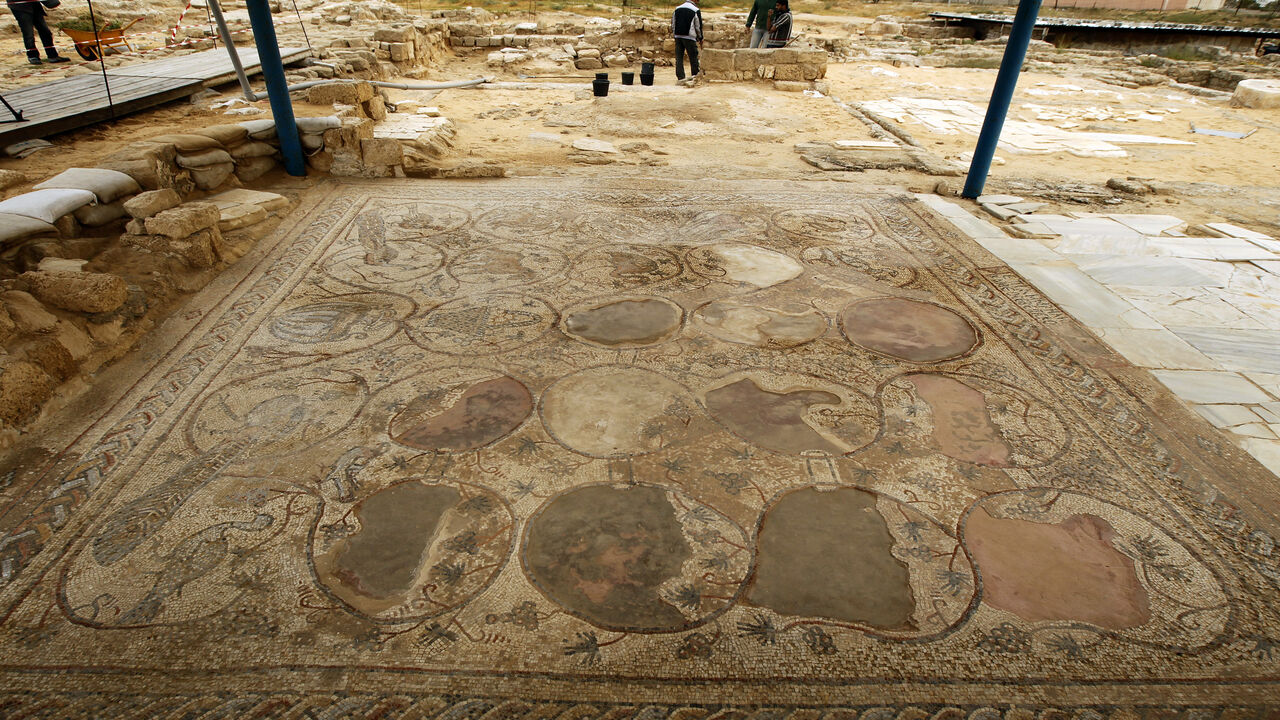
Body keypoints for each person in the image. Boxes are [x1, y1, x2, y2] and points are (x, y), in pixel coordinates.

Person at [7, 0, 70, 65]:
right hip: (19, 7)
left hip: (34, 5)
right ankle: (33, 56)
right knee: (28, 33)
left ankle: (52, 55)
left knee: (45, 31)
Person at [671, 0, 702, 84]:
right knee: (693, 57)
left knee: (679, 58)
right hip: (690, 37)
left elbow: (673, 23)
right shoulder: (695, 10)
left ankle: (680, 78)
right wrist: (700, 38)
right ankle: (695, 76)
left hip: (678, 36)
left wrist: (675, 34)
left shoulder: (677, 8)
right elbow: (698, 26)